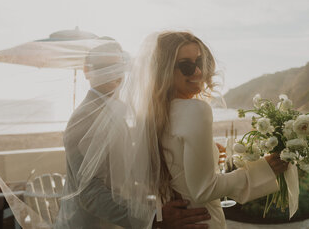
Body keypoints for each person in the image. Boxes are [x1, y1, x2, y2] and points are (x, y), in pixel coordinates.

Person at [140, 31, 288, 229]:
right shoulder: (196, 109)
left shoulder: (155, 114)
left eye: (200, 62)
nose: (198, 72)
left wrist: (212, 150)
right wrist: (263, 169)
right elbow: (204, 190)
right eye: (186, 65)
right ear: (165, 70)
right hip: (203, 220)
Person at [56, 41, 211, 229]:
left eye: (118, 66)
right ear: (86, 71)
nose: (113, 73)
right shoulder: (83, 119)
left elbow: (128, 167)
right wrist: (154, 218)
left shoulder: (116, 109)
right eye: (105, 67)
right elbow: (90, 194)